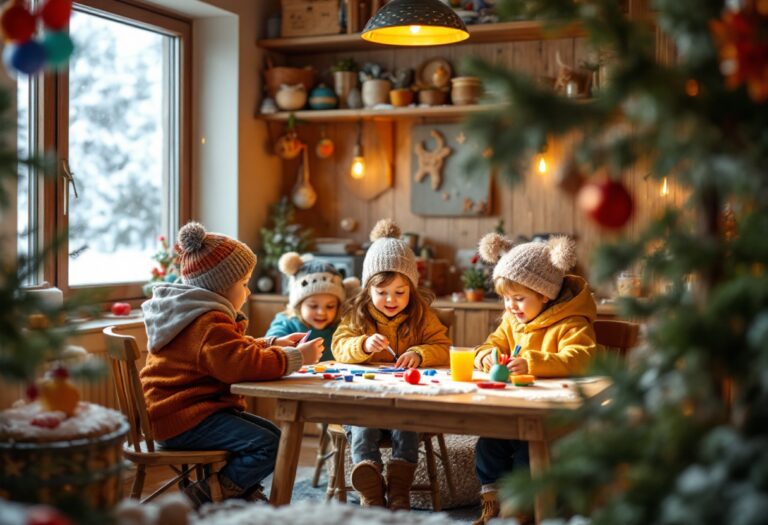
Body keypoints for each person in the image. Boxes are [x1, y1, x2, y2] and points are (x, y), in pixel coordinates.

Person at [140, 221, 323, 507]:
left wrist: (272, 344)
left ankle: (240, 490)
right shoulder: (207, 322)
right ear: (221, 287)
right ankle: (209, 495)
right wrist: (297, 358)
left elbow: (230, 351)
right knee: (269, 445)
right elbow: (238, 364)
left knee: (275, 436)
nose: (248, 292)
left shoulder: (196, 315)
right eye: (244, 284)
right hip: (183, 418)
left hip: (180, 411)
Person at [470, 233, 598, 525]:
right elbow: (490, 344)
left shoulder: (571, 322)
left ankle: (521, 508)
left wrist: (533, 363)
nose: (511, 307)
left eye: (518, 299)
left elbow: (582, 358)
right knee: (488, 443)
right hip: (513, 407)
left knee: (530, 451)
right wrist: (486, 357)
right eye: (505, 299)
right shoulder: (513, 320)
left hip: (554, 416)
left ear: (544, 294)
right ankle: (494, 503)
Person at [332, 218, 451, 511]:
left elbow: (444, 348)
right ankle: (370, 489)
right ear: (367, 289)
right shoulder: (357, 317)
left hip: (403, 403)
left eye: (400, 292)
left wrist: (420, 353)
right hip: (366, 402)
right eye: (382, 292)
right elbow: (339, 346)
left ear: (412, 289)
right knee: (361, 426)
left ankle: (399, 490)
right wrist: (361, 345)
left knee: (407, 425)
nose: (390, 299)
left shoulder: (421, 316)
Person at [266, 252, 360, 361]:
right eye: (313, 306)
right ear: (298, 305)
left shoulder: (342, 326)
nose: (321, 312)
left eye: (330, 306)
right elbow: (269, 348)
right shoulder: (285, 322)